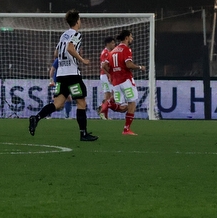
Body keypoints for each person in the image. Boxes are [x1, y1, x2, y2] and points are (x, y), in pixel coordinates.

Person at [28, 10, 98, 141]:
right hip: (72, 74)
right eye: (80, 20)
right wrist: (82, 60)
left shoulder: (63, 35)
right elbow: (70, 48)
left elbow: (56, 53)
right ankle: (83, 134)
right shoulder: (76, 34)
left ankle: (36, 118)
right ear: (77, 21)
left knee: (58, 104)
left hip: (61, 75)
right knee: (81, 102)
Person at [103, 30, 146, 135]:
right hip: (126, 79)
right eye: (131, 37)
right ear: (126, 38)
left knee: (122, 108)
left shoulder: (113, 51)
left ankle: (108, 104)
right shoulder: (126, 49)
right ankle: (126, 129)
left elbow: (104, 66)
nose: (132, 39)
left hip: (116, 82)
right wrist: (140, 67)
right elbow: (128, 65)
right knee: (132, 103)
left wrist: (112, 74)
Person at [98, 36, 119, 120]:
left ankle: (102, 109)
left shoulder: (109, 52)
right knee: (108, 96)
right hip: (105, 76)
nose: (114, 44)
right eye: (113, 43)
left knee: (112, 97)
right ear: (108, 44)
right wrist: (109, 75)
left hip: (108, 76)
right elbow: (104, 66)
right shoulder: (106, 53)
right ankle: (103, 113)